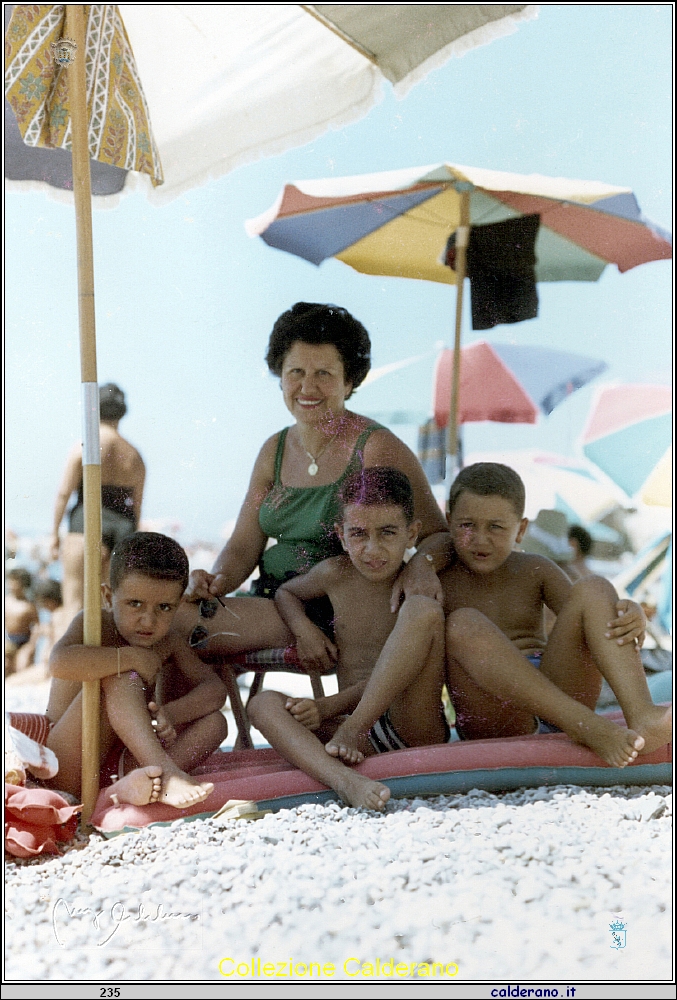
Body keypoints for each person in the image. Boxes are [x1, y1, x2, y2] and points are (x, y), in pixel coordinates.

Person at [179, 303, 451, 664]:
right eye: (296, 372)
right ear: (280, 377)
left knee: (170, 628)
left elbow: (437, 534)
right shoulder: (273, 450)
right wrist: (212, 582)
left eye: (324, 373)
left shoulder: (374, 448)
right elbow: (244, 546)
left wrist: (421, 565)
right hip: (275, 600)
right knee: (157, 623)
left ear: (349, 381)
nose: (307, 387)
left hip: (339, 609)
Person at [439, 463, 671, 766]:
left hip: (556, 692)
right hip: (497, 714)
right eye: (467, 525)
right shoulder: (441, 578)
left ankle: (641, 714)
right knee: (462, 623)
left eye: (495, 527)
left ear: (520, 530)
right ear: (449, 522)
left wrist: (633, 613)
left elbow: (592, 618)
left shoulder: (535, 569)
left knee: (594, 586)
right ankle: (587, 726)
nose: (481, 539)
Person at [247, 468, 447, 810]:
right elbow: (286, 594)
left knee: (421, 610)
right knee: (262, 704)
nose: (373, 549)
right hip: (350, 732)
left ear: (412, 533)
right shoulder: (335, 574)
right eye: (359, 534)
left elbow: (399, 673)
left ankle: (351, 737)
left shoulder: (417, 583)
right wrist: (303, 629)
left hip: (410, 722)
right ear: (340, 535)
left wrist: (329, 707)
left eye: (387, 533)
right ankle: (344, 780)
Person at [46, 533, 226, 809]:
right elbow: (58, 662)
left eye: (163, 607)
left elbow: (214, 691)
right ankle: (164, 774)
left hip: (123, 761)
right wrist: (127, 657)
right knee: (122, 676)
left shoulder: (169, 640)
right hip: (69, 762)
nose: (148, 620)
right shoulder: (95, 624)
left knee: (216, 724)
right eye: (135, 604)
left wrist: (171, 713)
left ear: (177, 606)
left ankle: (134, 784)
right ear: (108, 596)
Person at [50, 383, 146, 622]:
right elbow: (137, 505)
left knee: (73, 605)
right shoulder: (135, 455)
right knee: (108, 609)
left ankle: (69, 660)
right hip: (124, 527)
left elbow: (64, 493)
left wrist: (54, 533)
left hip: (87, 519)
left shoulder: (85, 446)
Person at [5, 568, 39, 675]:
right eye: (11, 581)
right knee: (6, 666)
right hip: (8, 640)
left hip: (24, 641)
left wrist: (31, 645)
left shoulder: (29, 605)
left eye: (16, 582)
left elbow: (37, 626)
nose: (12, 585)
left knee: (22, 668)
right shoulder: (6, 601)